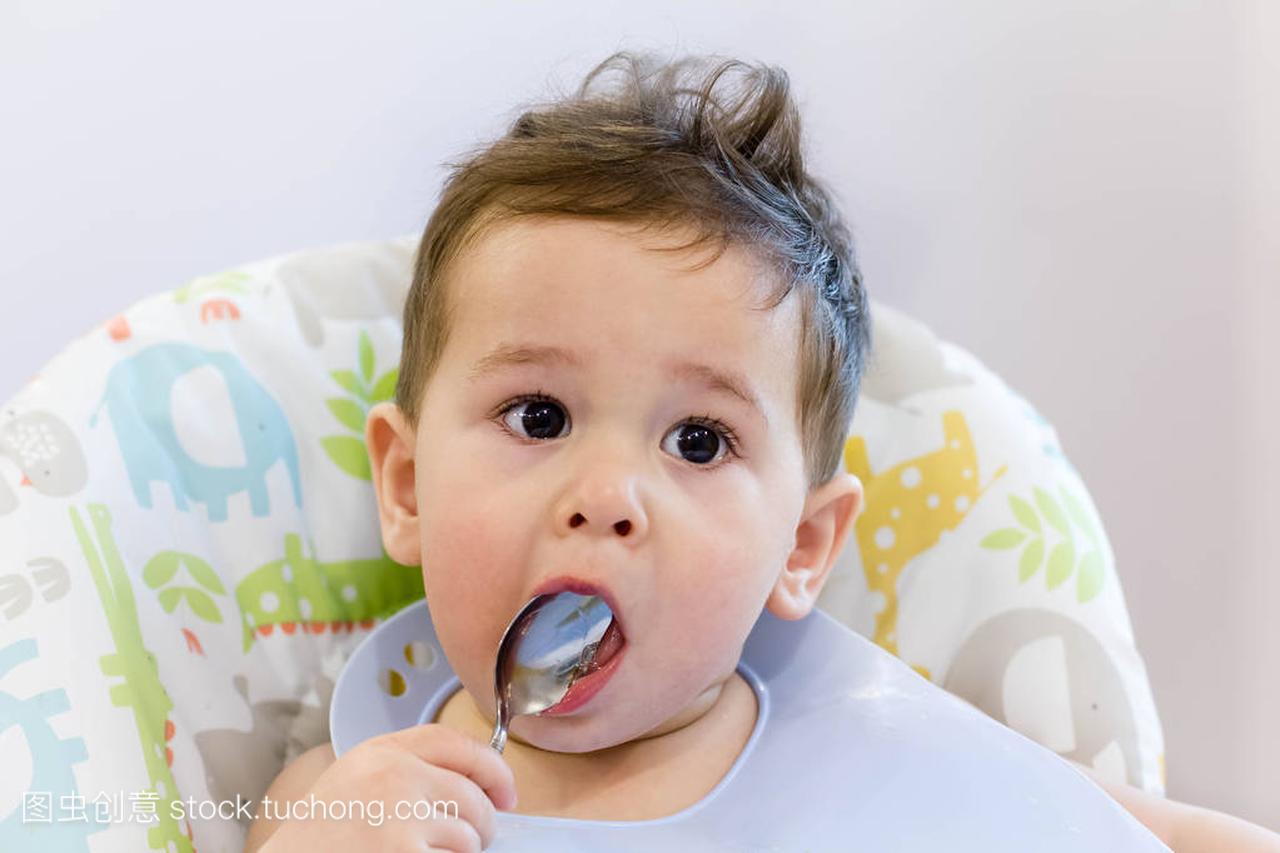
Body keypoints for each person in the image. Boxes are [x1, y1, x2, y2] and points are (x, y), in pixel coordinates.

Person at [245, 50, 1280, 852]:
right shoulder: (344, 792)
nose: (605, 496)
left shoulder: (875, 751)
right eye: (539, 416)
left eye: (697, 440)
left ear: (801, 544)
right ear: (409, 484)